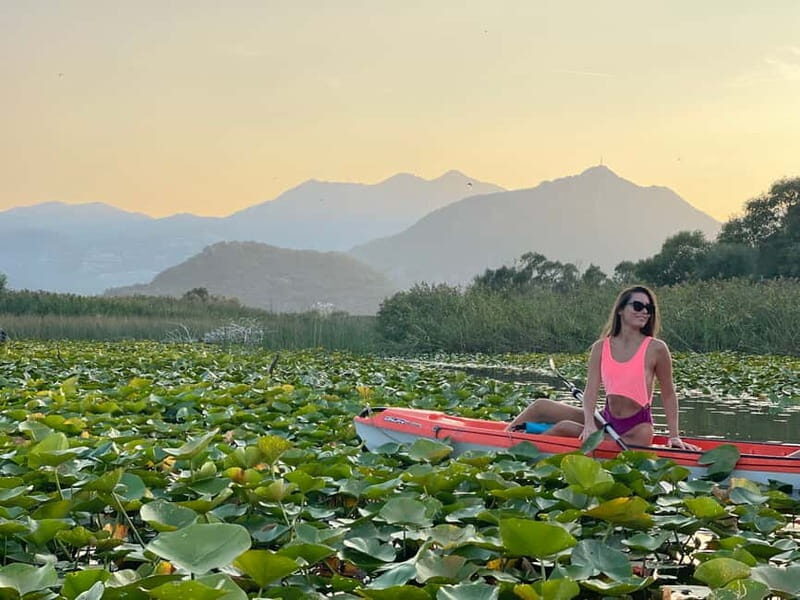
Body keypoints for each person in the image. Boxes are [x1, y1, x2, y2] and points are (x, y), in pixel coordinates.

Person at [506, 285, 700, 450]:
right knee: (542, 406)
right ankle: (502, 438)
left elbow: (668, 394)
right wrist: (589, 423)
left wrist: (674, 436)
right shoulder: (601, 347)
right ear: (620, 310)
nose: (644, 312)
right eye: (638, 306)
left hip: (636, 431)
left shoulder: (656, 348)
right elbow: (591, 390)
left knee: (565, 427)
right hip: (605, 419)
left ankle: (522, 447)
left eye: (649, 308)